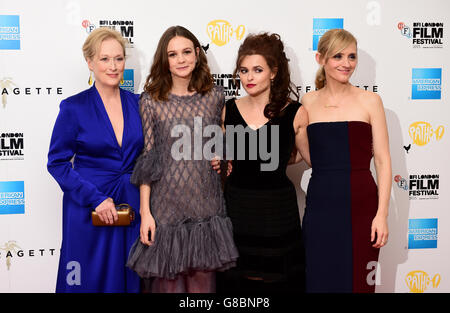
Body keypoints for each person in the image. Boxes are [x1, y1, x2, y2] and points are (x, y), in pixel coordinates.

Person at [126, 25, 238, 293]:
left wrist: (222, 156)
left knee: (202, 290)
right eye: (173, 54)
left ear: (198, 53)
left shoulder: (215, 97)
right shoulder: (151, 101)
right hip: (166, 209)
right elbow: (149, 158)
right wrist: (146, 213)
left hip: (205, 208)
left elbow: (223, 145)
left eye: (187, 51)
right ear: (165, 60)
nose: (181, 59)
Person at [47, 28, 143, 292]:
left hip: (130, 206)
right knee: (86, 280)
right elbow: (57, 163)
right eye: (104, 59)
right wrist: (96, 199)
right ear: (89, 62)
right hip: (90, 208)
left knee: (128, 277)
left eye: (119, 58)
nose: (113, 66)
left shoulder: (140, 104)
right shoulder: (74, 107)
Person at [215, 32, 309, 293]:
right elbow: (224, 157)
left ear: (273, 72)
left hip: (277, 212)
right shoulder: (228, 109)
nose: (249, 77)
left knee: (278, 282)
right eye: (244, 70)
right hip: (237, 209)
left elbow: (310, 157)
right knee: (238, 284)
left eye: (258, 70)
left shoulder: (294, 111)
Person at [301, 28, 391, 293]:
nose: (346, 63)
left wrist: (381, 215)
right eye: (338, 56)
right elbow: (308, 156)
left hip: (362, 205)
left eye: (351, 56)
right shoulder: (307, 102)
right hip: (321, 206)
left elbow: (383, 161)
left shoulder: (371, 101)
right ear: (321, 58)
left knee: (359, 283)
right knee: (319, 280)